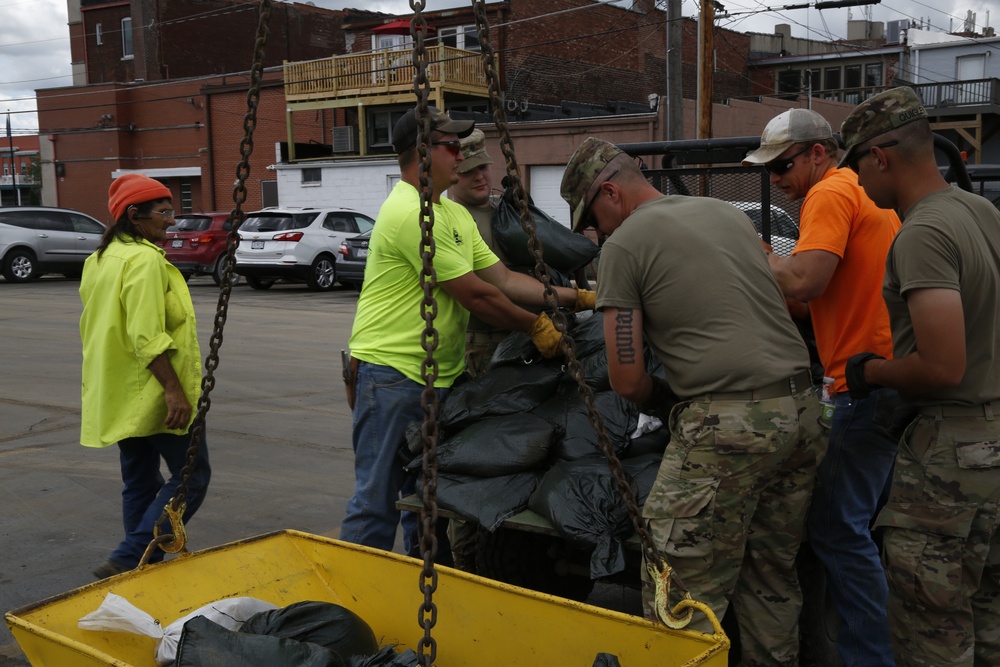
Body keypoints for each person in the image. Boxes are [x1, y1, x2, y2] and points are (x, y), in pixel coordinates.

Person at [560, 137, 824, 666]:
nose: (597, 233)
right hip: (801, 413)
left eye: (593, 220)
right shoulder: (726, 215)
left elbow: (627, 378)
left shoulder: (624, 247)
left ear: (610, 192)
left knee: (677, 592)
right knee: (771, 575)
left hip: (727, 429)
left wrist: (668, 401)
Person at [340, 106, 595, 558]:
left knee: (427, 500)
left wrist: (577, 298)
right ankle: (352, 602)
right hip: (391, 376)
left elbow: (505, 280)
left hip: (440, 377)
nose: (462, 156)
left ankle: (425, 585)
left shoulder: (451, 215)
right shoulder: (407, 212)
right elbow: (475, 295)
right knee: (376, 501)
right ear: (422, 151)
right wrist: (533, 324)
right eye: (452, 147)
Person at [842, 86, 1000, 666]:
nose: (857, 182)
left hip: (953, 459)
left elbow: (942, 364)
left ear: (879, 157)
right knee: (989, 632)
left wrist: (873, 372)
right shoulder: (979, 209)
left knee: (932, 638)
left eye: (857, 165)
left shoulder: (923, 234)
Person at [743, 108, 902, 666]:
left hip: (864, 382)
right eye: (770, 169)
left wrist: (756, 255)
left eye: (783, 165)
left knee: (837, 530)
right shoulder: (861, 191)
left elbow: (807, 277)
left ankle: (870, 658)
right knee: (869, 528)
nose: (778, 179)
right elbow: (816, 299)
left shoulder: (830, 192)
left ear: (818, 153)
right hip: (887, 375)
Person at [80, 173, 212, 579]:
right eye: (164, 213)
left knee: (139, 481)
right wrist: (173, 390)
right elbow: (145, 336)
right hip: (153, 390)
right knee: (192, 475)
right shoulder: (144, 260)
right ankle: (133, 553)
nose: (171, 222)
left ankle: (136, 568)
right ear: (134, 215)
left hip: (120, 391)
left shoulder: (99, 259)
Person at [446, 128, 508, 378]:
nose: (479, 176)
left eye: (482, 167)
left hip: (519, 338)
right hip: (478, 346)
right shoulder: (445, 221)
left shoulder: (511, 213)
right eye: (467, 171)